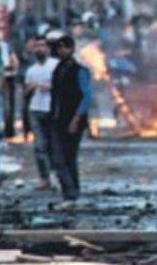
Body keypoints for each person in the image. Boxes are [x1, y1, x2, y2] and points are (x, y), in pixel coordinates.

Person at [49, 35, 92, 201]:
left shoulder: (80, 70)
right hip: (58, 118)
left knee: (68, 157)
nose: (61, 51)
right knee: (60, 157)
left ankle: (71, 192)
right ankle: (70, 191)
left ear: (71, 49)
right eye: (59, 48)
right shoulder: (58, 69)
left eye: (64, 48)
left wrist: (76, 119)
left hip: (73, 119)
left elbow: (86, 97)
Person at [24, 36, 58, 189]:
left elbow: (63, 87)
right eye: (37, 46)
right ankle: (44, 179)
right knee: (39, 146)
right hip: (35, 109)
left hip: (52, 109)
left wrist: (48, 86)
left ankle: (57, 176)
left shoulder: (55, 66)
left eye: (42, 46)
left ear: (48, 48)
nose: (40, 49)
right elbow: (25, 93)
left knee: (54, 145)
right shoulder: (31, 70)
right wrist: (30, 88)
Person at [0, 27, 20, 138]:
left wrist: (13, 69)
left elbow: (14, 60)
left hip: (8, 77)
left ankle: (9, 130)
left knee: (8, 105)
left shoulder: (6, 46)